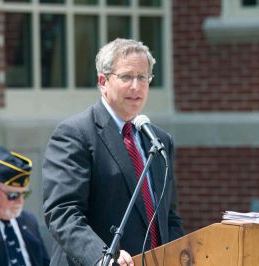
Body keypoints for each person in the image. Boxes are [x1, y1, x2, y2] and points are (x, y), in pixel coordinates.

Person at [42, 38, 184, 266]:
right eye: (127, 77)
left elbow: (169, 217)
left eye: (143, 77)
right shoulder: (74, 134)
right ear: (103, 81)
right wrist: (102, 256)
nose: (136, 86)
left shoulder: (159, 140)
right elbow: (63, 213)